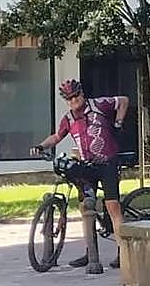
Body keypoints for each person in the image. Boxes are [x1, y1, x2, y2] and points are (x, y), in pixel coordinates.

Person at [31, 78, 129, 269]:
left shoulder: (98, 104)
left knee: (113, 207)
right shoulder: (68, 119)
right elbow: (58, 136)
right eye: (69, 98)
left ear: (82, 93)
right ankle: (90, 251)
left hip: (107, 162)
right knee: (86, 208)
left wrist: (117, 123)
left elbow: (123, 101)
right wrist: (41, 146)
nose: (73, 100)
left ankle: (123, 251)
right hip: (87, 165)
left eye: (75, 96)